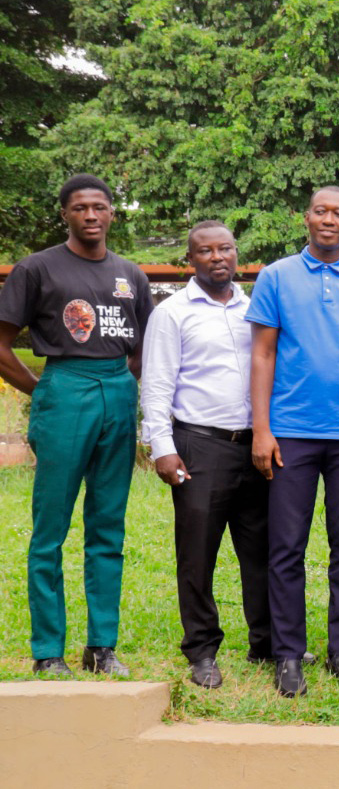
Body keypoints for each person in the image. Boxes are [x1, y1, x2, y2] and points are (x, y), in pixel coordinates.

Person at [0, 174, 153, 677]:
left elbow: (142, 346)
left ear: (112, 213)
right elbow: (2, 344)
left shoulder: (130, 272)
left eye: (100, 207)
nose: (91, 215)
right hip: (64, 388)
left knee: (108, 525)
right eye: (80, 207)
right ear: (64, 212)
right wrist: (41, 389)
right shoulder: (38, 268)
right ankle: (48, 650)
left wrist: (124, 387)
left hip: (117, 390)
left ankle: (101, 647)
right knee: (51, 529)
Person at [247, 185, 339, 697]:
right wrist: (261, 429)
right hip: (290, 433)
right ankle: (288, 655)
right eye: (321, 211)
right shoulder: (276, 276)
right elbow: (263, 354)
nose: (330, 219)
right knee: (286, 546)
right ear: (305, 218)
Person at [139, 221, 272, 688]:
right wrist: (163, 449)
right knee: (198, 554)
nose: (218, 257)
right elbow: (156, 384)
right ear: (190, 260)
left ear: (237, 254)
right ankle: (201, 650)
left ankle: (267, 642)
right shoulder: (173, 313)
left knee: (263, 550)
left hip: (254, 446)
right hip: (200, 445)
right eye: (205, 251)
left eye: (226, 249)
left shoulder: (255, 309)